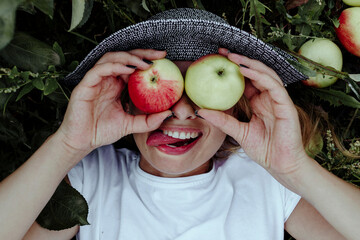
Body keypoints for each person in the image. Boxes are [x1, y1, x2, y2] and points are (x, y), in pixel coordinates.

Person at [0, 8, 359, 240]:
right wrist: (67, 146)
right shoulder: (92, 179)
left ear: (234, 110)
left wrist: (295, 168)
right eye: (169, 91)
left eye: (204, 95)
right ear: (127, 101)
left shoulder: (265, 182)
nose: (183, 112)